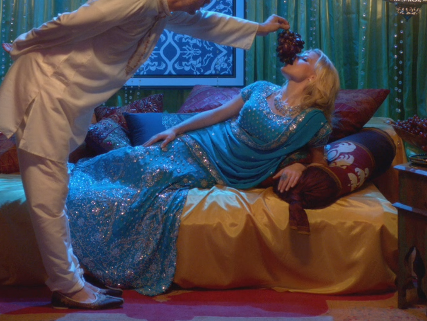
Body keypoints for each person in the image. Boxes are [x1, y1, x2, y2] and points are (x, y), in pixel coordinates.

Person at [0, 0, 291, 309]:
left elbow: (203, 22)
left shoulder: (159, 8)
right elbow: (73, 22)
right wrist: (24, 42)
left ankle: (69, 279)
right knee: (48, 199)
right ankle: (68, 286)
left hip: (65, 99)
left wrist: (259, 28)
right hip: (47, 93)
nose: (208, 1)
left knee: (54, 193)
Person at [66, 48, 340, 296]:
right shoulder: (261, 88)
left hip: (224, 167)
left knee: (151, 180)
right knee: (134, 158)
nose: (295, 56)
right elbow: (218, 114)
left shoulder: (314, 121)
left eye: (305, 58)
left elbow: (320, 162)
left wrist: (300, 164)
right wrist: (176, 129)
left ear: (315, 77)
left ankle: (86, 238)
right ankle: (65, 188)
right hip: (202, 140)